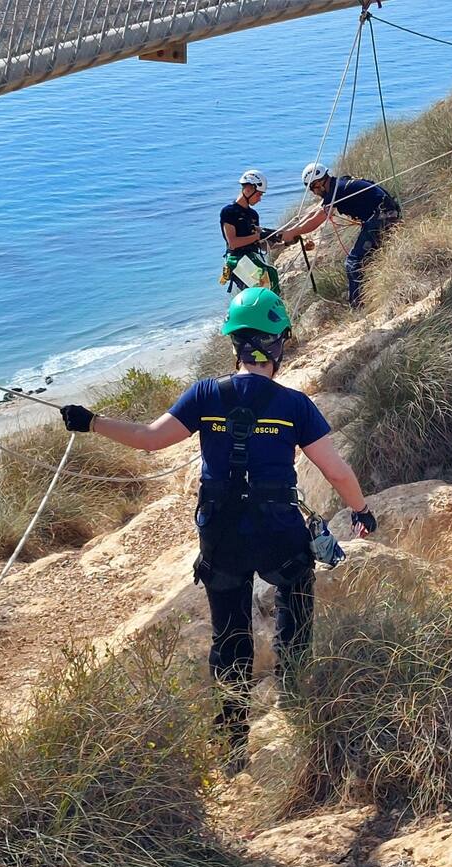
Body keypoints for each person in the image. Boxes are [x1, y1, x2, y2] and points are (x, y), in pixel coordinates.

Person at [59, 287, 377, 769]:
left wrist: (92, 421)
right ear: (278, 347)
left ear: (235, 346)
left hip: (222, 533)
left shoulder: (205, 395)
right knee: (296, 599)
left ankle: (231, 746)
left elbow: (149, 440)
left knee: (230, 638)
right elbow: (335, 470)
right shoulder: (294, 405)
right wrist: (360, 512)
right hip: (278, 530)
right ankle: (296, 697)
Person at [281, 163, 401, 308]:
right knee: (366, 258)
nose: (314, 193)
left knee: (353, 262)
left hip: (382, 217)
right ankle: (368, 295)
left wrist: (293, 233)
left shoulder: (336, 190)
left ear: (318, 183)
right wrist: (291, 230)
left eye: (312, 188)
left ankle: (357, 306)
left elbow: (317, 220)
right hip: (385, 214)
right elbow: (314, 213)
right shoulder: (339, 184)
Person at [220, 169, 283, 293]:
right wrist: (258, 236)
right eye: (258, 194)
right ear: (248, 189)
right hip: (238, 259)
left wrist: (284, 243)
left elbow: (262, 246)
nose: (260, 199)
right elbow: (233, 243)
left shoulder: (253, 214)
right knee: (262, 285)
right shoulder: (229, 212)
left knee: (271, 275)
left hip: (252, 257)